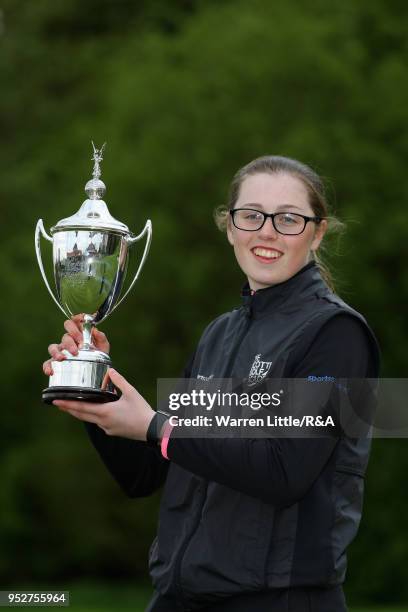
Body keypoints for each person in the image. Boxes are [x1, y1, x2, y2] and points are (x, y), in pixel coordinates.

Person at [43, 156, 380, 612]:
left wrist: (156, 426)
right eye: (251, 215)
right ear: (230, 226)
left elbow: (286, 472)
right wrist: (95, 390)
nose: (266, 232)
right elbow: (145, 474)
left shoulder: (339, 334)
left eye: (288, 219)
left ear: (317, 233)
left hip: (279, 601)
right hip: (177, 598)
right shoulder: (219, 334)